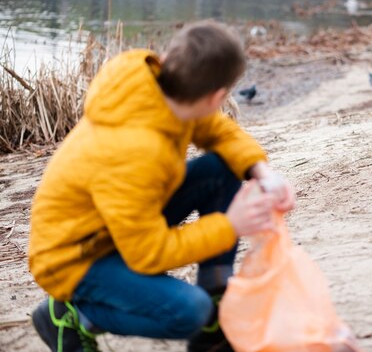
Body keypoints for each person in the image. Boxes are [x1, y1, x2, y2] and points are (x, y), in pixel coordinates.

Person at [28, 20, 295, 352]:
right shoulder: (138, 152)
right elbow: (148, 254)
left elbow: (216, 129)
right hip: (74, 257)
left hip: (120, 224)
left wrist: (262, 171)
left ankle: (216, 309)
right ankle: (70, 314)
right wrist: (229, 225)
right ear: (217, 97)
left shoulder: (160, 86)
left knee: (221, 167)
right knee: (187, 311)